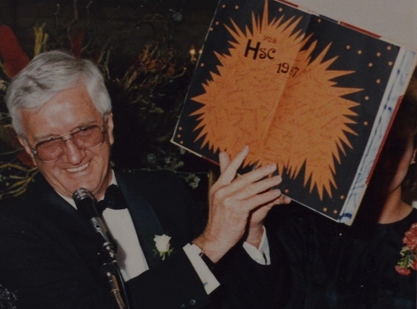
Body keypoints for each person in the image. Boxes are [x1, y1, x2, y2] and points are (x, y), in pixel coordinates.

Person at [0, 50, 287, 309]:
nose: (74, 156)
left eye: (85, 131)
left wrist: (249, 229)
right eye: (51, 142)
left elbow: (246, 301)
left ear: (109, 125)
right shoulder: (13, 228)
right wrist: (209, 244)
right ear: (28, 148)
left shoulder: (166, 192)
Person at [268, 72, 417, 308]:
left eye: (396, 149)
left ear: (414, 154)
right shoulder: (311, 228)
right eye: (375, 148)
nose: (384, 163)